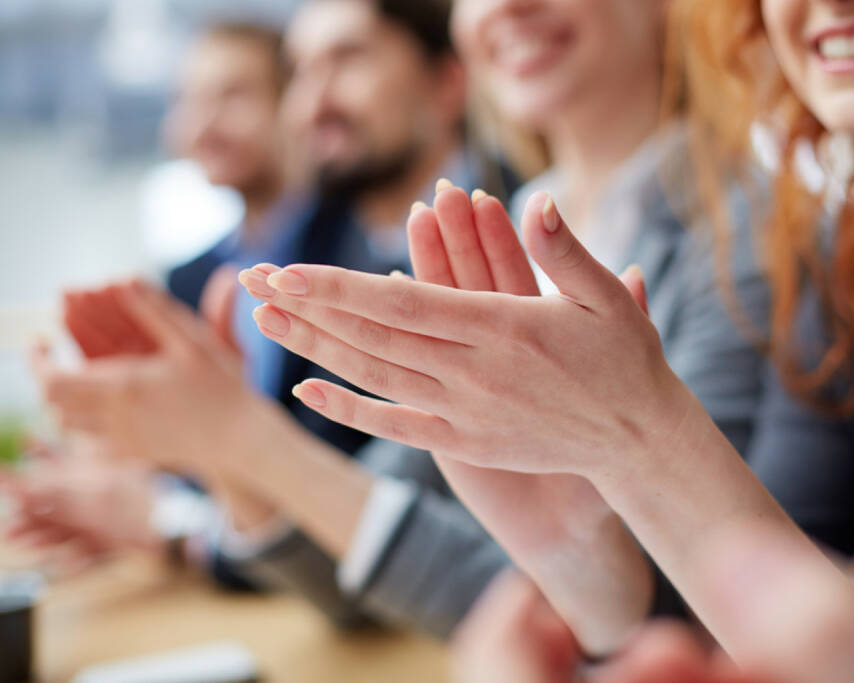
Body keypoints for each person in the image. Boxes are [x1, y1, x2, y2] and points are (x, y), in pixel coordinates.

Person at [242, 0, 854, 678]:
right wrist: (587, 559)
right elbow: (722, 620)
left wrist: (638, 440)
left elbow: (745, 607)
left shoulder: (768, 251)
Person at [31, 0, 522, 638]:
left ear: (448, 80)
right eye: (300, 72)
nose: (312, 104)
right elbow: (341, 507)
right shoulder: (330, 250)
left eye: (348, 59)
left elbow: (361, 515)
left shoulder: (529, 229)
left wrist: (193, 487)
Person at [5, 19, 293, 580]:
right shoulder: (185, 280)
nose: (204, 121)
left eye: (234, 94)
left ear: (294, 102)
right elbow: (188, 464)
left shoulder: (340, 255)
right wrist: (122, 484)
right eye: (189, 99)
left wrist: (165, 519)